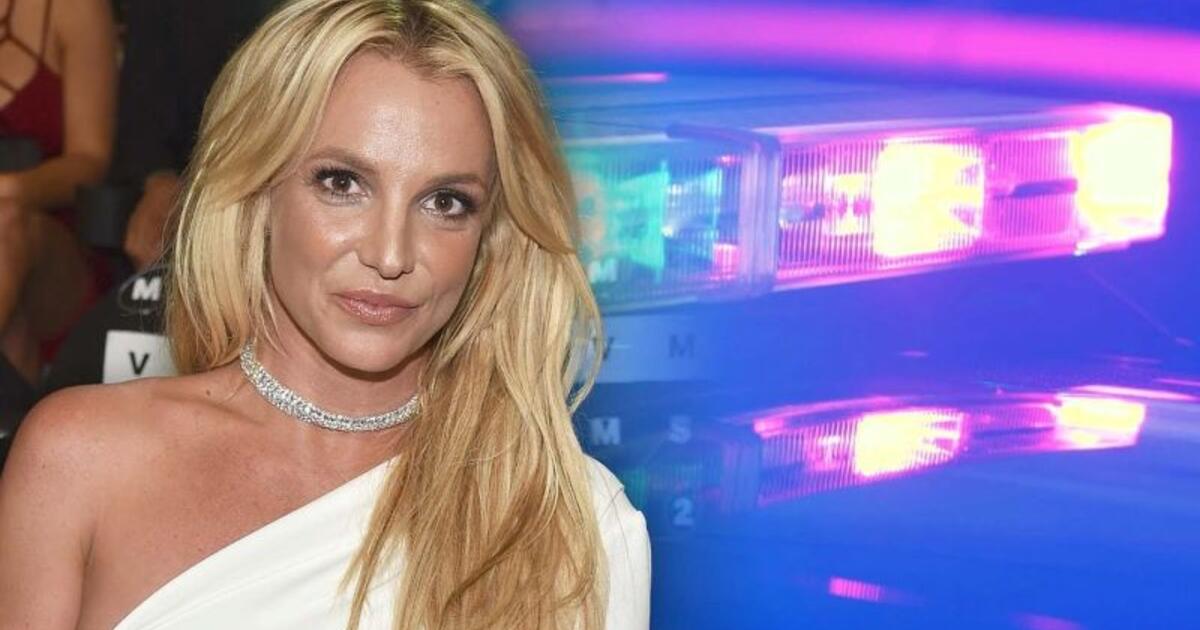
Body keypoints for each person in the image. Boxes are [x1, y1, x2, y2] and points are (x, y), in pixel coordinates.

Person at [0, 0, 651, 628]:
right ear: (257, 190)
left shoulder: (569, 519)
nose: (390, 254)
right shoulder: (77, 460)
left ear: (491, 238)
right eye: (343, 183)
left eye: (446, 202)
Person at [0, 0, 117, 384]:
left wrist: (12, 189)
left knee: (6, 224)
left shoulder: (75, 9)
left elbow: (90, 161)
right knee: (14, 334)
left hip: (57, 250)